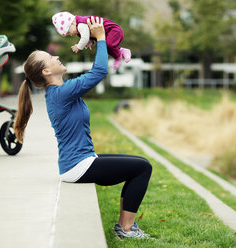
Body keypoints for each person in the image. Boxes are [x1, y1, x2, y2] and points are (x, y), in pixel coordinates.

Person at [14, 16, 152, 239]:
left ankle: (125, 227)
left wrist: (92, 40)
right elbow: (98, 72)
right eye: (50, 57)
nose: (56, 56)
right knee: (142, 168)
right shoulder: (60, 94)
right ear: (46, 72)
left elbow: (95, 71)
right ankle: (126, 229)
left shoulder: (63, 91)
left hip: (83, 160)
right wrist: (101, 38)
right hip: (78, 166)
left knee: (139, 166)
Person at [52, 11, 131, 70]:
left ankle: (118, 56)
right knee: (105, 46)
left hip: (113, 30)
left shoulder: (80, 24)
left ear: (72, 23)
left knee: (107, 45)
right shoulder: (78, 28)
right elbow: (89, 35)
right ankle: (122, 51)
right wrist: (90, 42)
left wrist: (79, 47)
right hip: (106, 33)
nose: (71, 34)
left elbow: (85, 37)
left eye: (69, 32)